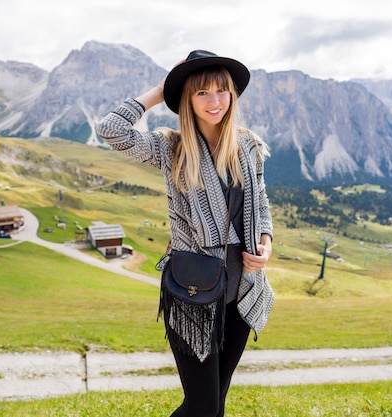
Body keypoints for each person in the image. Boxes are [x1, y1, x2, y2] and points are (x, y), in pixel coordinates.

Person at [96, 49, 275, 417]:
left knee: (213, 404)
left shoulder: (248, 145)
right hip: (193, 291)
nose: (215, 102)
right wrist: (160, 90)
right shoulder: (170, 147)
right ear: (186, 100)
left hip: (242, 289)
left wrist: (267, 243)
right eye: (201, 92)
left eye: (222, 91)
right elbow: (111, 130)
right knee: (205, 407)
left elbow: (261, 204)